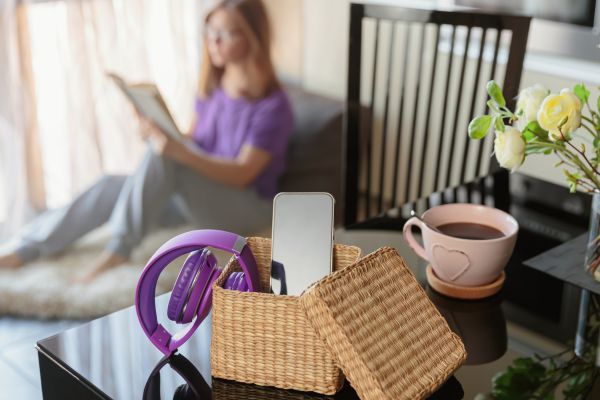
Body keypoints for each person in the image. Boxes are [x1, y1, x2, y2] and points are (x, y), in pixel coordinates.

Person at [0, 0, 293, 282]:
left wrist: (177, 151)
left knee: (168, 156)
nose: (214, 42)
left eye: (226, 34)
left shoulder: (273, 106)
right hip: (199, 195)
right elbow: (196, 140)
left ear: (254, 37)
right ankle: (26, 249)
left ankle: (118, 250)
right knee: (111, 186)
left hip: (246, 207)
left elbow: (243, 173)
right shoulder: (215, 85)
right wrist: (159, 132)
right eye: (211, 32)